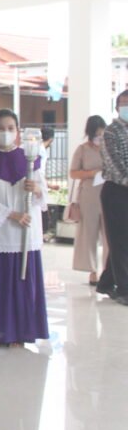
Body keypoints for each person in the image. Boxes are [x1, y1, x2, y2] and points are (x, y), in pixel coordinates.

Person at [0, 109, 49, 347]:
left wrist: (36, 189)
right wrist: (11, 214)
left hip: (26, 231)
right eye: (1, 129)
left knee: (24, 283)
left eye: (10, 128)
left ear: (18, 131)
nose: (5, 133)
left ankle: (23, 333)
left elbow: (43, 194)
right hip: (0, 233)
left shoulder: (30, 160)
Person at [97, 89, 128, 304]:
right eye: (124, 104)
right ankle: (124, 289)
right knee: (119, 240)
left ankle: (107, 282)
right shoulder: (111, 132)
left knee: (124, 240)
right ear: (117, 108)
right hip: (116, 191)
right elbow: (114, 163)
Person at [68, 115, 108, 286]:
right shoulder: (82, 149)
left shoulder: (109, 148)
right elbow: (73, 173)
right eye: (96, 134)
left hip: (108, 195)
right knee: (88, 234)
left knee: (110, 236)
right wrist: (92, 173)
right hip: (89, 196)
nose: (99, 137)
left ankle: (109, 271)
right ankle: (92, 271)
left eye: (102, 134)